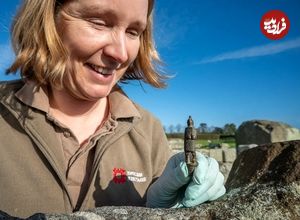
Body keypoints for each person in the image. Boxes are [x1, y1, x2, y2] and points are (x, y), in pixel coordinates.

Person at [0, 0, 225, 218]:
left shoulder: (148, 130)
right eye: (99, 22)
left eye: (133, 32)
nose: (121, 54)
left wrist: (164, 209)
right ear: (48, 18)